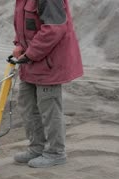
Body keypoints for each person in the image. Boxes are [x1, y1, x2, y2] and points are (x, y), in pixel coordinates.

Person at [12, 0, 83, 168]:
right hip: (31, 61)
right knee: (27, 105)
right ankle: (37, 148)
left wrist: (30, 53)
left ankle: (55, 152)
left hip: (49, 61)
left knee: (49, 109)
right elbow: (23, 24)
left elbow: (54, 29)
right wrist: (18, 44)